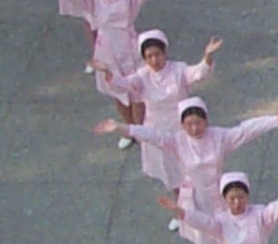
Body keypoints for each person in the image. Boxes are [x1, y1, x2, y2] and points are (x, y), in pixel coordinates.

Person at [96, 98, 278, 244]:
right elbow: (151, 135)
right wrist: (120, 127)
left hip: (220, 196)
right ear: (182, 124)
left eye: (198, 123)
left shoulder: (219, 138)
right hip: (195, 197)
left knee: (225, 239)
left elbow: (245, 131)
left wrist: (276, 119)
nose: (194, 129)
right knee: (202, 243)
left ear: (206, 121)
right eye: (189, 124)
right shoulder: (177, 141)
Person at [92, 30, 219, 200]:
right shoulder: (142, 76)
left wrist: (207, 57)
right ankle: (181, 203)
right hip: (157, 128)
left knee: (191, 168)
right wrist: (108, 73)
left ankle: (199, 202)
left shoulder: (178, 70)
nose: (154, 60)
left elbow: (199, 73)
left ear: (164, 52)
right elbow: (123, 85)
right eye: (149, 56)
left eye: (157, 54)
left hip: (182, 127)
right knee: (170, 172)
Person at [50, 0, 167, 131]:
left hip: (130, 44)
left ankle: (138, 128)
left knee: (137, 90)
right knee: (117, 92)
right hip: (107, 49)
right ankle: (127, 126)